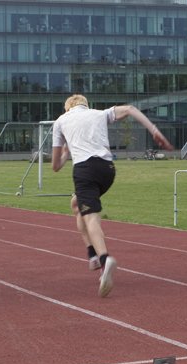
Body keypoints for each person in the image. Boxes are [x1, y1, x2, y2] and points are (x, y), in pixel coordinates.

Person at [50, 94, 173, 297]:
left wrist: (66, 152)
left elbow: (55, 166)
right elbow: (131, 109)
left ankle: (104, 258)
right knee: (76, 204)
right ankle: (92, 255)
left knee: (91, 218)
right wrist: (154, 131)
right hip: (107, 170)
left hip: (84, 170)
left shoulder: (61, 121)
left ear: (67, 109)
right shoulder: (99, 114)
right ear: (85, 105)